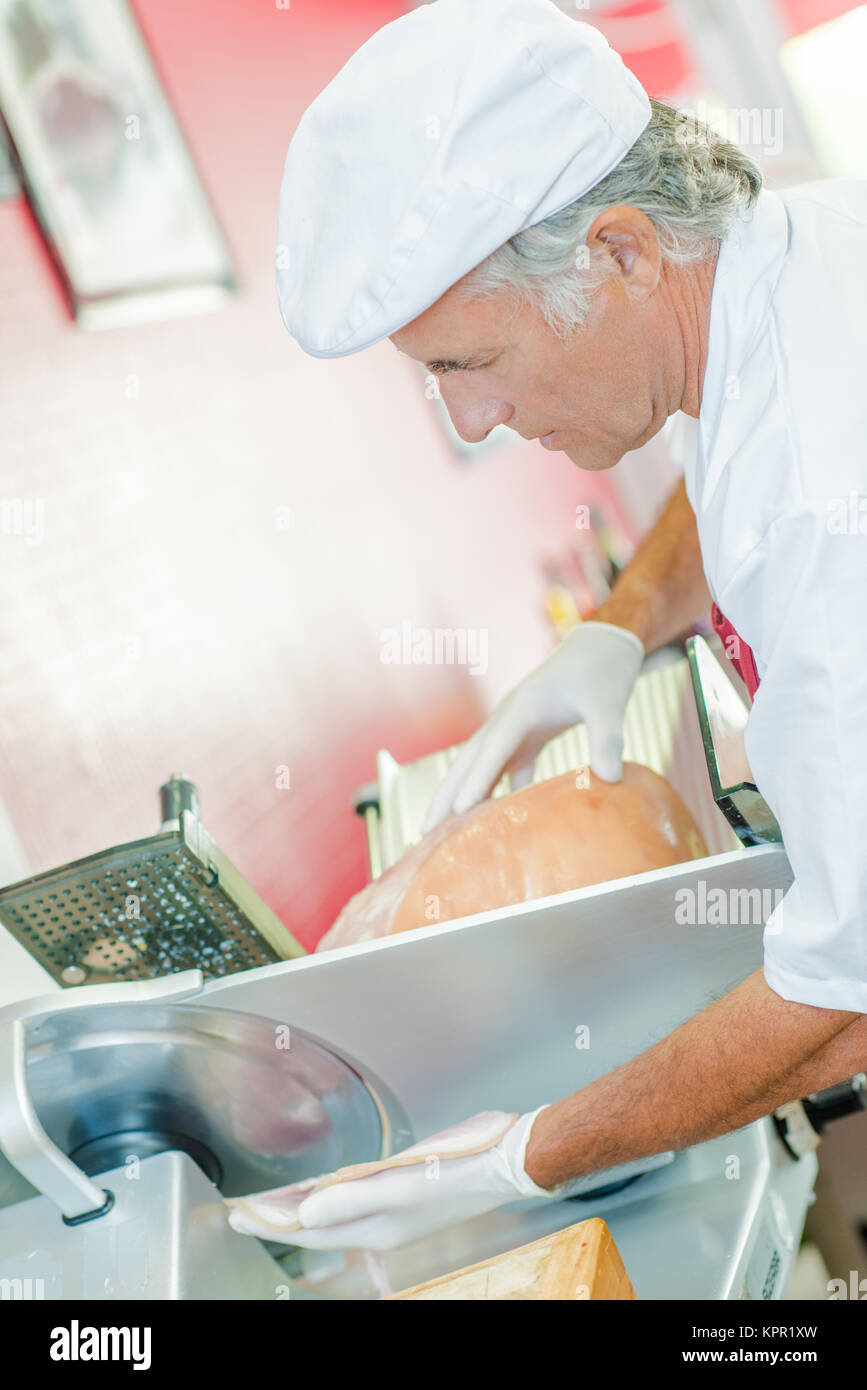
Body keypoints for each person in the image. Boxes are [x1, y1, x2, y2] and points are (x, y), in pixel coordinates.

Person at [228, 0, 867, 1251]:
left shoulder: (824, 520)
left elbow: (846, 998)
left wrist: (524, 1154)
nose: (469, 424)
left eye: (470, 365)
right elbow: (739, 458)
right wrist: (621, 624)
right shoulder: (785, 265)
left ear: (623, 250)